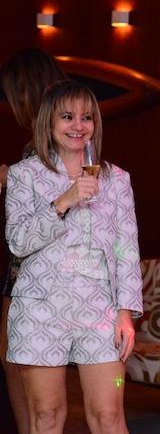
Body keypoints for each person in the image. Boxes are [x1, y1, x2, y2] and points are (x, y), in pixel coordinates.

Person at [4, 79, 142, 433]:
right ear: (49, 122)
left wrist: (125, 312)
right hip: (40, 311)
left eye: (87, 117)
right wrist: (63, 201)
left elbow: (127, 250)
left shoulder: (117, 179)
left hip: (101, 311)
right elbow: (17, 242)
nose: (78, 126)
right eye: (67, 117)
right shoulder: (24, 175)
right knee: (46, 415)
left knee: (109, 415)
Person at [0, 48, 67, 434]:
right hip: (30, 263)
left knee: (19, 360)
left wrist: (10, 179)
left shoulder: (52, 139)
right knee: (18, 360)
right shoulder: (52, 136)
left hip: (35, 266)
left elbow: (58, 201)